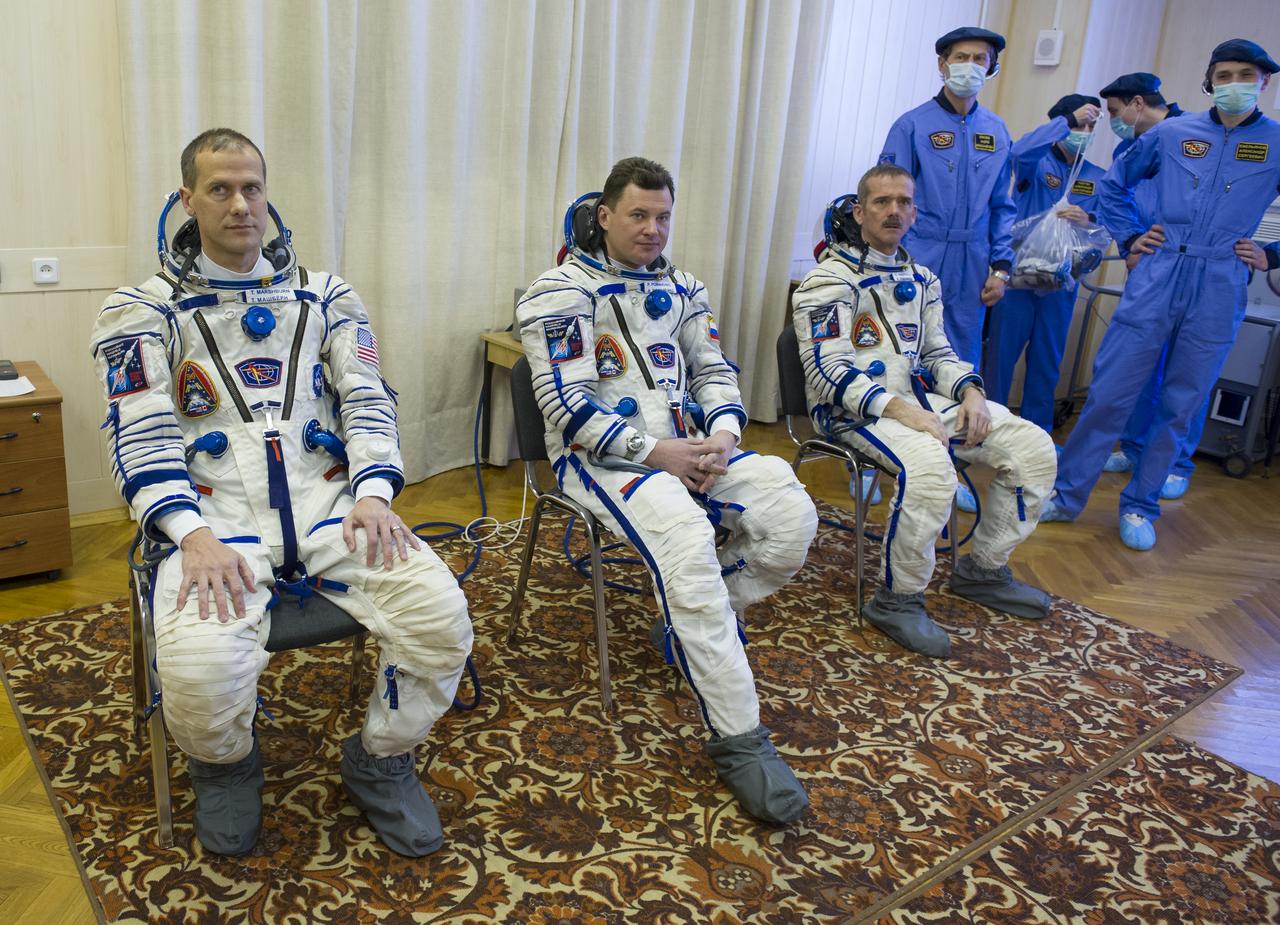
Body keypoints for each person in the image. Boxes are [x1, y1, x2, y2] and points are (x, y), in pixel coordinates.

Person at [91, 129, 473, 856]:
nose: (241, 204)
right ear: (187, 199)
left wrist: (375, 492)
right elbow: (138, 433)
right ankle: (227, 767)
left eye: (252, 187)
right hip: (214, 523)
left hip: (334, 506)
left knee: (441, 619)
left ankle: (381, 758)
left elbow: (367, 402)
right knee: (199, 673)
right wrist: (187, 531)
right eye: (221, 189)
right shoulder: (141, 311)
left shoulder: (325, 296)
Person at [517, 157, 818, 823]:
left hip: (692, 449)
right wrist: (657, 453)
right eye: (638, 215)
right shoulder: (557, 292)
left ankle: (685, 622)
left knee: (790, 511)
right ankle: (740, 737)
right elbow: (564, 404)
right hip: (605, 461)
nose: (653, 229)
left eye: (663, 217)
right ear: (605, 215)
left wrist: (725, 435)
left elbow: (713, 367)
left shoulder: (684, 288)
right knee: (687, 546)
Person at [793, 165, 1057, 658]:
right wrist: (897, 408)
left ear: (915, 213)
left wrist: (971, 392)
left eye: (903, 203)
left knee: (1033, 447)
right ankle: (897, 600)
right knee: (932, 472)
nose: (894, 211)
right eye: (881, 202)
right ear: (859, 210)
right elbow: (825, 371)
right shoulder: (826, 281)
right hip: (853, 412)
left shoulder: (922, 279)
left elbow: (936, 354)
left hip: (918, 403)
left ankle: (983, 570)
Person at [1041, 41, 1280, 549]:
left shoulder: (1277, 143)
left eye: (1247, 75)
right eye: (1225, 74)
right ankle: (1065, 496)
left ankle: (1141, 506)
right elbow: (1113, 187)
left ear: (1264, 83)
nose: (1235, 82)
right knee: (1110, 393)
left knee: (1182, 402)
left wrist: (1271, 254)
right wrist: (1131, 237)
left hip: (1220, 278)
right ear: (1209, 81)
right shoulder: (1173, 133)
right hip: (1160, 269)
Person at [878, 26, 1016, 515]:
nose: (970, 65)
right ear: (942, 64)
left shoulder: (997, 132)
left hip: (974, 260)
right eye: (961, 56)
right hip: (919, 251)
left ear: (991, 67)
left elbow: (1004, 206)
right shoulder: (912, 126)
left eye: (981, 58)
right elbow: (886, 199)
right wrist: (892, 260)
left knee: (957, 362)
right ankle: (882, 463)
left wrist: (1001, 266)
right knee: (899, 356)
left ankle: (947, 463)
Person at [1095, 73, 1201, 500]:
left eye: (1116, 112)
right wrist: (1130, 242)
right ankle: (1135, 447)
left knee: (1185, 372)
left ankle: (1177, 461)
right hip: (1149, 270)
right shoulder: (1129, 148)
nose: (1114, 121)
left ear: (1138, 103)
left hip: (1194, 270)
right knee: (1138, 368)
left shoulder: (1196, 137)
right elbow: (1112, 195)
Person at [987, 94, 1104, 435]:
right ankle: (989, 427)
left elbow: (1108, 224)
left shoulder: (1096, 176)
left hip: (1060, 284)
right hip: (1018, 278)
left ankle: (1038, 434)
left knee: (1047, 362)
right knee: (1001, 358)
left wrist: (1089, 216)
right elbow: (1019, 151)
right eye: (1078, 124)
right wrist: (1065, 122)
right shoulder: (1036, 164)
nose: (1084, 130)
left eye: (1090, 126)